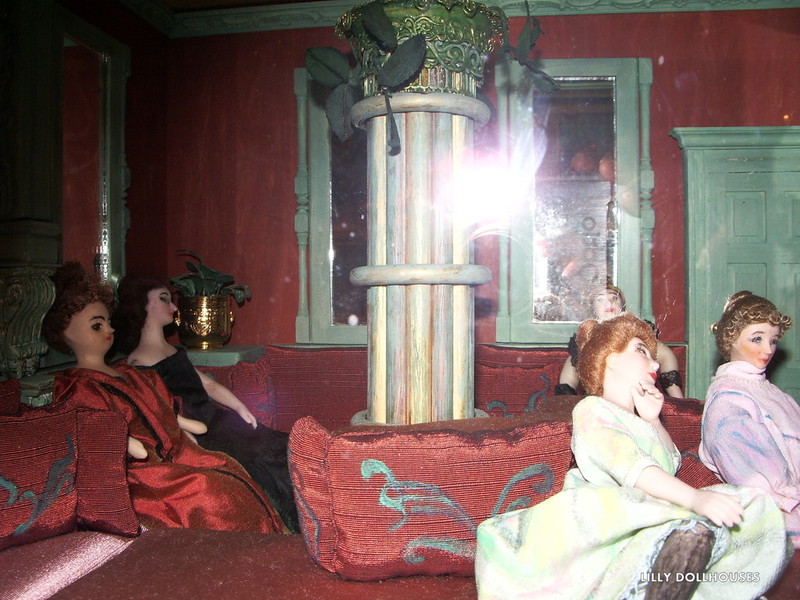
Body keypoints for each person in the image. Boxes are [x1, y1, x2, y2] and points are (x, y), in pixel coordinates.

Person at [475, 312, 790, 600]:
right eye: (642, 351)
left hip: (644, 512)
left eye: (654, 356)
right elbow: (634, 468)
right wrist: (694, 498)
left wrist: (653, 420)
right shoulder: (592, 409)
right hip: (606, 516)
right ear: (609, 358)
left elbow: (668, 465)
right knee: (688, 529)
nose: (655, 365)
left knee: (749, 507)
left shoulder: (642, 420)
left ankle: (671, 572)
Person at [41, 262, 287, 533]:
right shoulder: (88, 384)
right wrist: (157, 436)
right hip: (146, 465)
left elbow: (167, 404)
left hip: (190, 435)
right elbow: (101, 427)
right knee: (228, 475)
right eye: (97, 326)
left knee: (251, 458)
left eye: (107, 323)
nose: (109, 331)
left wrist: (224, 413)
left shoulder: (132, 373)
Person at [111, 274, 299, 532]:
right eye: (164, 299)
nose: (173, 307)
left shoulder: (174, 352)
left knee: (278, 444)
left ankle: (308, 516)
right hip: (199, 433)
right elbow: (157, 412)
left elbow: (208, 386)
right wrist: (186, 440)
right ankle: (286, 524)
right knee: (257, 459)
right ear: (143, 306)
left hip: (217, 420)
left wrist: (240, 407)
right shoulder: (138, 364)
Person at [700, 290, 799, 548]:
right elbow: (759, 484)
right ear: (731, 338)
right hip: (776, 511)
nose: (768, 349)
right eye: (757, 339)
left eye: (773, 340)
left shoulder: (775, 394)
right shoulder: (727, 399)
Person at [556, 284, 684, 398]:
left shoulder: (636, 332)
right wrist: (568, 404)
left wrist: (676, 395)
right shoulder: (587, 338)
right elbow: (567, 382)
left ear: (622, 305)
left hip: (638, 398)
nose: (609, 303)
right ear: (592, 307)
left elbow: (665, 355)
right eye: (600, 299)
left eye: (614, 298)